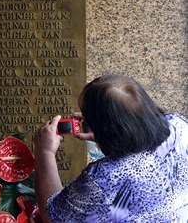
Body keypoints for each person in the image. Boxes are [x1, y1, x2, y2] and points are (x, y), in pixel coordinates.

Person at [34, 74, 188, 222]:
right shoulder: (180, 125)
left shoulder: (103, 179)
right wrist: (107, 133)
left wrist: (45, 152)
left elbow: (54, 216)